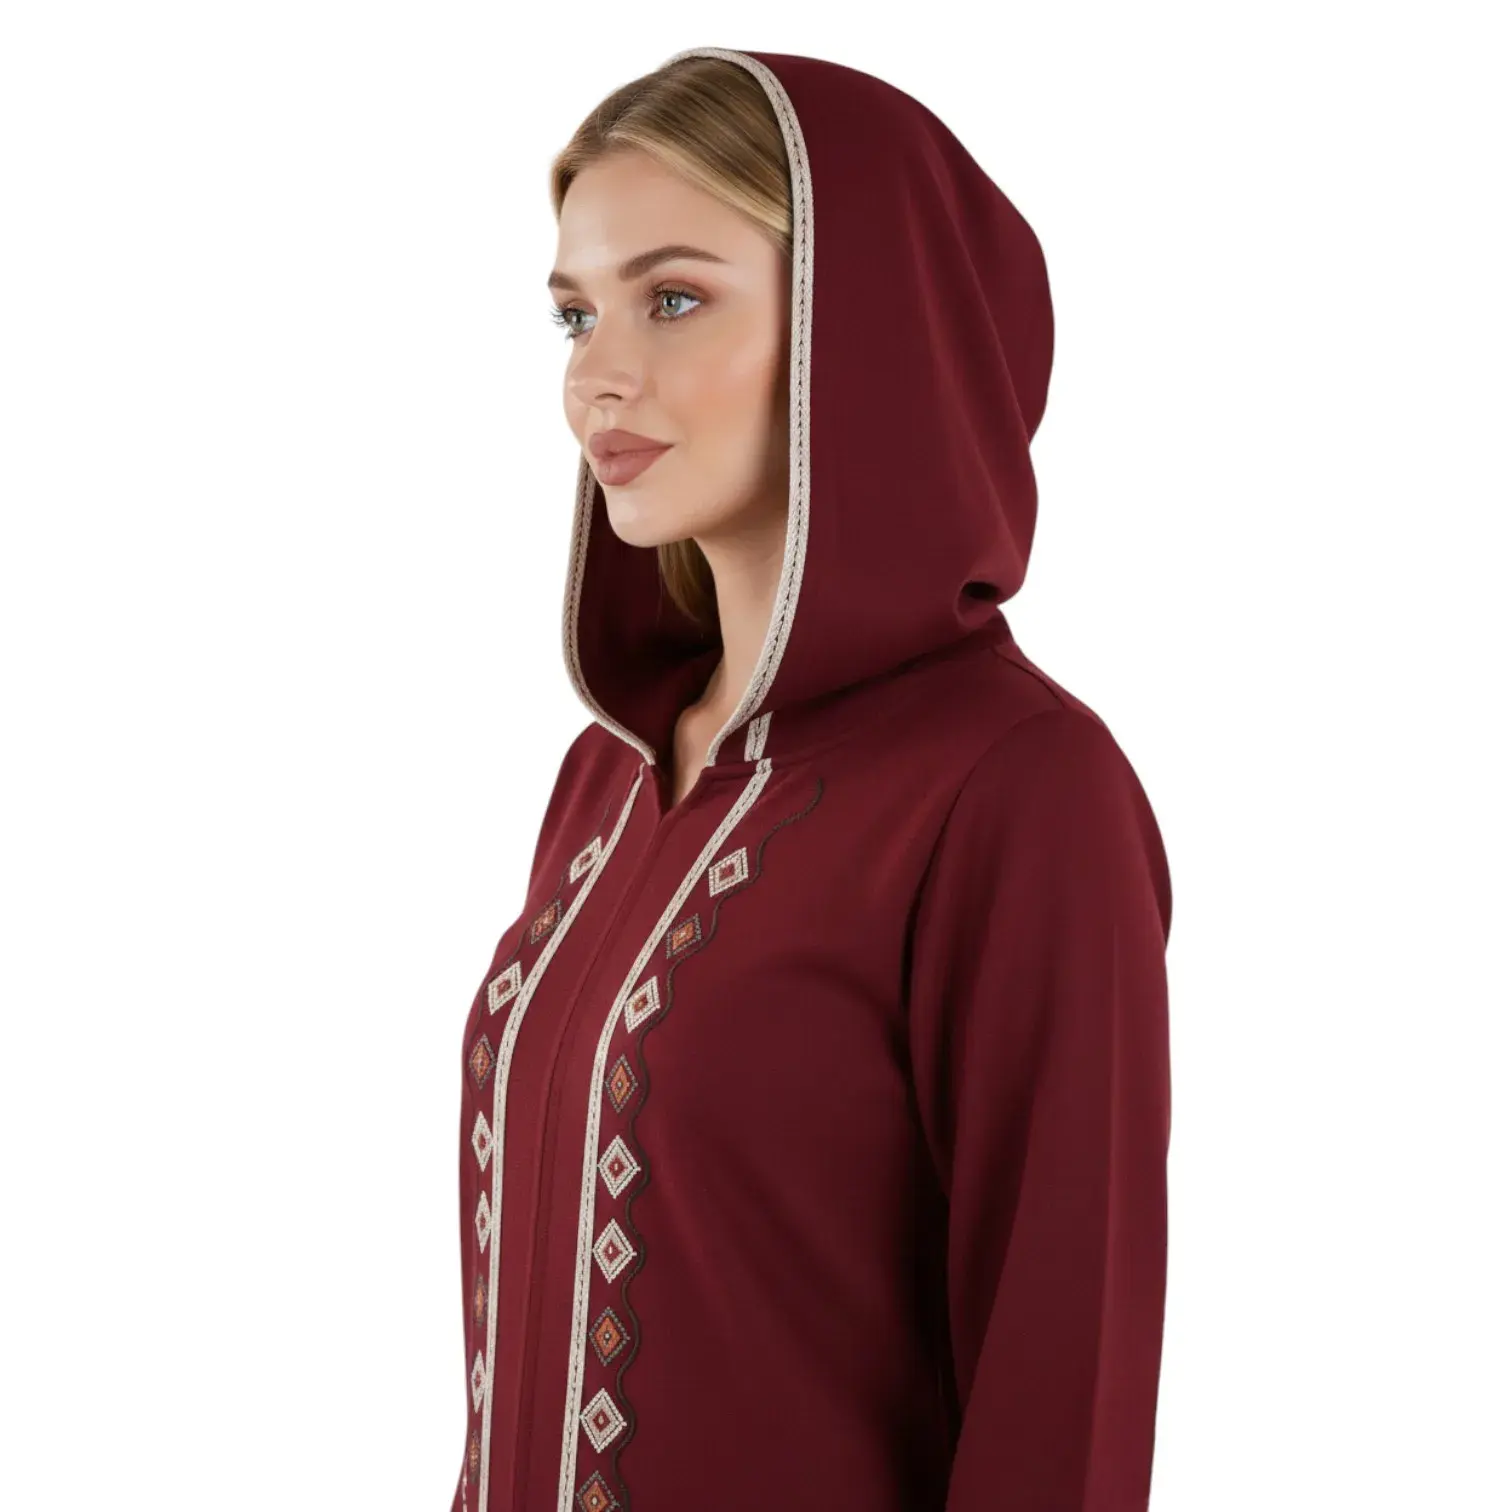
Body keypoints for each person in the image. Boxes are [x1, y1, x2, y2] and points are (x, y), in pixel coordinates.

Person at [452, 46, 1174, 1512]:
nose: (595, 377)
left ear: (867, 325)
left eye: (673, 298)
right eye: (575, 314)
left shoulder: (1022, 793)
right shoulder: (606, 783)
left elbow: (1065, 1404)